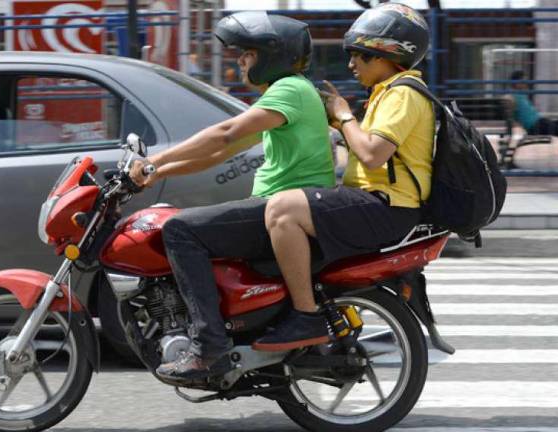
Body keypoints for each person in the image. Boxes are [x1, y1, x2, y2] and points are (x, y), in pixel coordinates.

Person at [130, 11, 335, 381]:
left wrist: (154, 159)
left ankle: (209, 348)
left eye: (248, 53)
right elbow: (220, 153)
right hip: (281, 207)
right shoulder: (286, 97)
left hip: (283, 208)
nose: (240, 60)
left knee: (179, 230)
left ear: (274, 55)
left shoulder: (289, 90)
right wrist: (157, 172)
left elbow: (225, 132)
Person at [254, 3, 435, 351]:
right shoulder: (389, 92)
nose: (351, 64)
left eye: (360, 56)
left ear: (386, 56)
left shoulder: (403, 94)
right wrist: (337, 121)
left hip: (386, 207)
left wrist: (344, 115)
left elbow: (372, 154)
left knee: (283, 210)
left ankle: (304, 317)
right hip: (379, 203)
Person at [508, 70, 558, 137]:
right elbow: (511, 117)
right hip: (536, 126)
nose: (526, 84)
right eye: (524, 82)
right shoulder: (512, 97)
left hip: (541, 123)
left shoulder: (521, 95)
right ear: (516, 83)